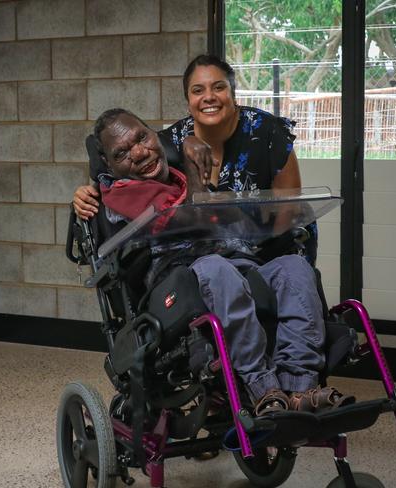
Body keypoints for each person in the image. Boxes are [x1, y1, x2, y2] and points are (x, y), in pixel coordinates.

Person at [92, 107, 353, 415]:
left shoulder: (177, 177)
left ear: (156, 136)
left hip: (236, 264)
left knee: (294, 268)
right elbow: (190, 217)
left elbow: (217, 216)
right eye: (122, 152)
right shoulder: (120, 194)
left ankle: (300, 385)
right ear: (109, 165)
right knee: (217, 270)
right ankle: (261, 387)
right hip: (178, 281)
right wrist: (192, 170)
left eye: (142, 137)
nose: (139, 152)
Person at [73, 53, 318, 262]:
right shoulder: (172, 140)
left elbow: (288, 207)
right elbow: (120, 167)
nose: (208, 97)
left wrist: (263, 259)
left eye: (219, 87)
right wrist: (87, 192)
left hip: (269, 246)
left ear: (233, 94)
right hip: (213, 256)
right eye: (197, 90)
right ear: (188, 101)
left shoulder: (267, 132)